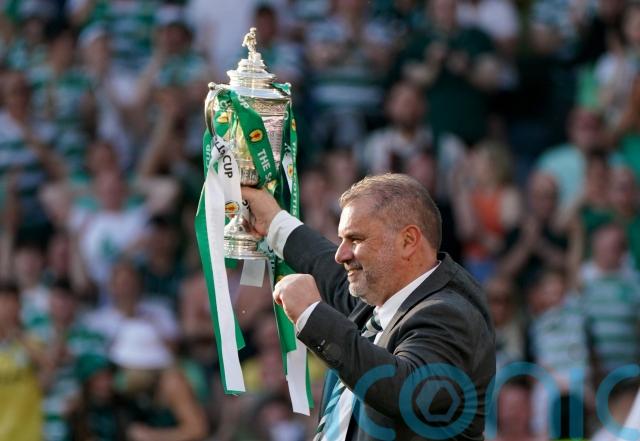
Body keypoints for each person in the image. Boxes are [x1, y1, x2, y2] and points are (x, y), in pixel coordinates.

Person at [242, 173, 495, 440]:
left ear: (408, 241)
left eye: (356, 240)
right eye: (342, 240)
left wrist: (312, 315)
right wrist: (273, 222)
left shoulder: (450, 314)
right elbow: (326, 268)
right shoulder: (385, 300)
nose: (341, 254)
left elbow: (402, 389)